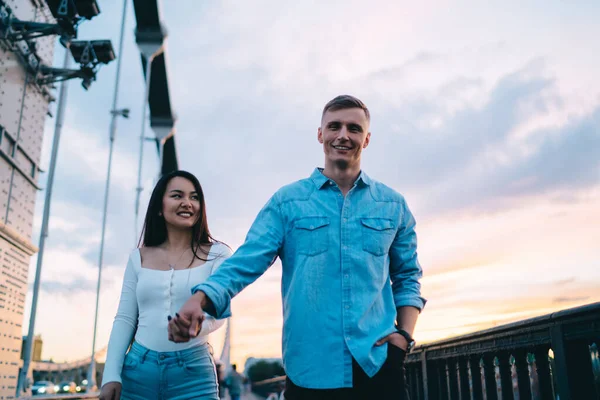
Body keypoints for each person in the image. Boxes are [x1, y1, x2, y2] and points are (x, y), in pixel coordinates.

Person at [169, 95, 426, 399]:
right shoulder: (287, 202)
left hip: (379, 366)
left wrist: (404, 338)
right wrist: (201, 299)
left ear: (366, 139)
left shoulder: (392, 205)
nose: (343, 135)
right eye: (334, 126)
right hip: (310, 370)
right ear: (320, 134)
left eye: (354, 129)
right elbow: (246, 261)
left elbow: (407, 276)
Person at [99, 170, 232, 400]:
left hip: (193, 376)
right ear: (159, 207)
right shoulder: (137, 258)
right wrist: (111, 375)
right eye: (177, 196)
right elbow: (125, 318)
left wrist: (199, 327)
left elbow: (220, 312)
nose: (187, 203)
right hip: (137, 373)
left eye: (194, 197)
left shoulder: (218, 254)